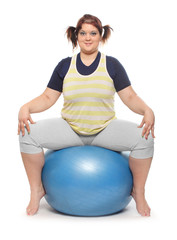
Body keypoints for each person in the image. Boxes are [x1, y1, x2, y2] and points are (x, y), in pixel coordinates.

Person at [18, 14, 155, 217]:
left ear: (101, 36)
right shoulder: (65, 65)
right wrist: (25, 107)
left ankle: (139, 192)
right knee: (27, 135)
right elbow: (48, 97)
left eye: (93, 33)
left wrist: (147, 110)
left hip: (105, 130)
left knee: (145, 139)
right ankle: (36, 189)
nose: (88, 37)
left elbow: (130, 96)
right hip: (70, 130)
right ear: (76, 35)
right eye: (83, 33)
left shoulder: (112, 65)